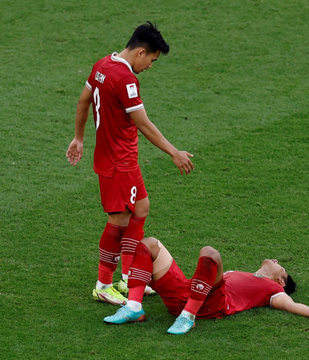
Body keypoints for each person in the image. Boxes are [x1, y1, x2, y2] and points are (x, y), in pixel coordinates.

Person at [66, 22, 194, 305]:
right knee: (119, 220)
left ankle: (128, 277)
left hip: (120, 160)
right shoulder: (126, 79)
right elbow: (143, 124)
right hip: (118, 163)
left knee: (141, 208)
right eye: (152, 59)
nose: (150, 66)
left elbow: (83, 100)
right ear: (140, 52)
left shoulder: (102, 65)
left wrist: (78, 138)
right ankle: (103, 284)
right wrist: (174, 152)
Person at [103, 237, 309, 335]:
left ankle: (188, 318)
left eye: (281, 267)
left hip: (211, 304)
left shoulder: (272, 289)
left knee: (210, 253)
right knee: (148, 244)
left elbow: (289, 304)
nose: (276, 262)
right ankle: (134, 307)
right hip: (187, 291)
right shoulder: (245, 274)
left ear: (280, 281)